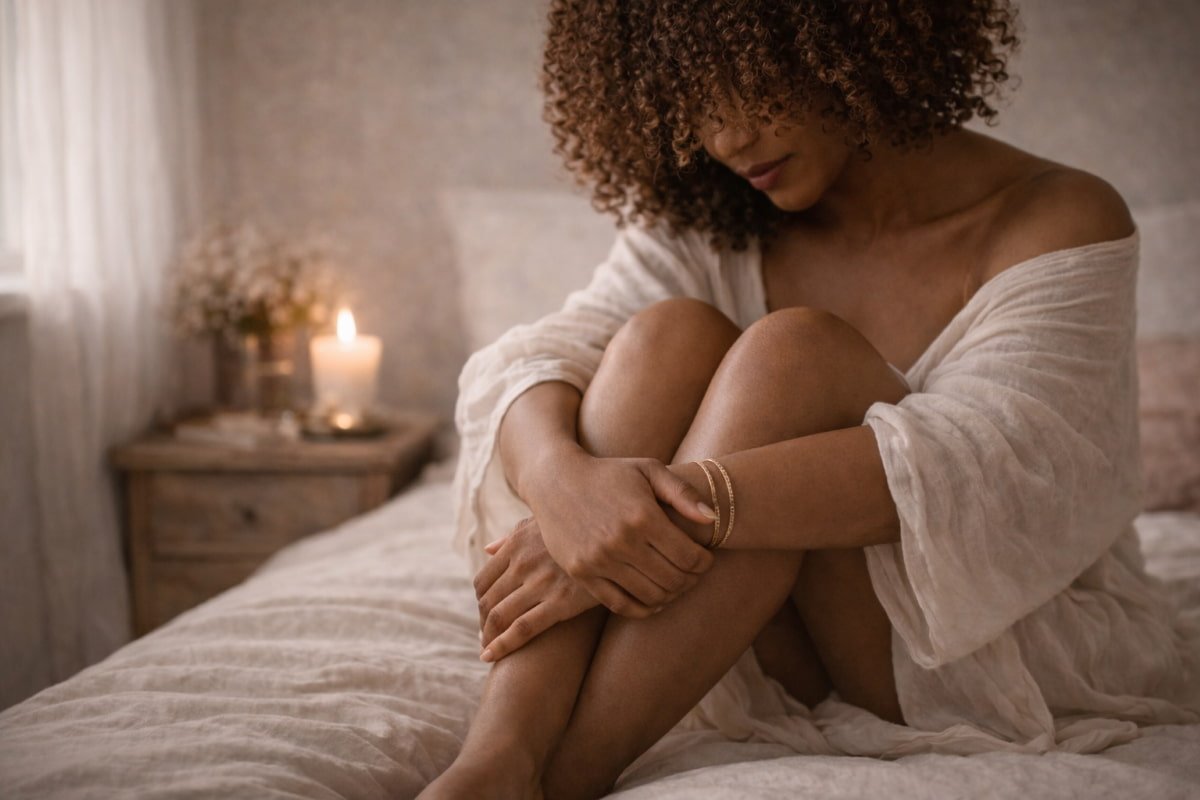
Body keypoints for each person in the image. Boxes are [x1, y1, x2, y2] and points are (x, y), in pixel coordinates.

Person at [421, 1, 1199, 798]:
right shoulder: (712, 215)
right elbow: (536, 359)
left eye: (751, 83)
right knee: (664, 336)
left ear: (856, 37)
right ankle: (498, 757)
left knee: (794, 357)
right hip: (763, 630)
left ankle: (564, 778)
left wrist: (644, 517)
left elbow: (993, 467)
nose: (725, 139)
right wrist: (565, 490)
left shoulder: (1059, 218)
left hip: (966, 642)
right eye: (692, 100)